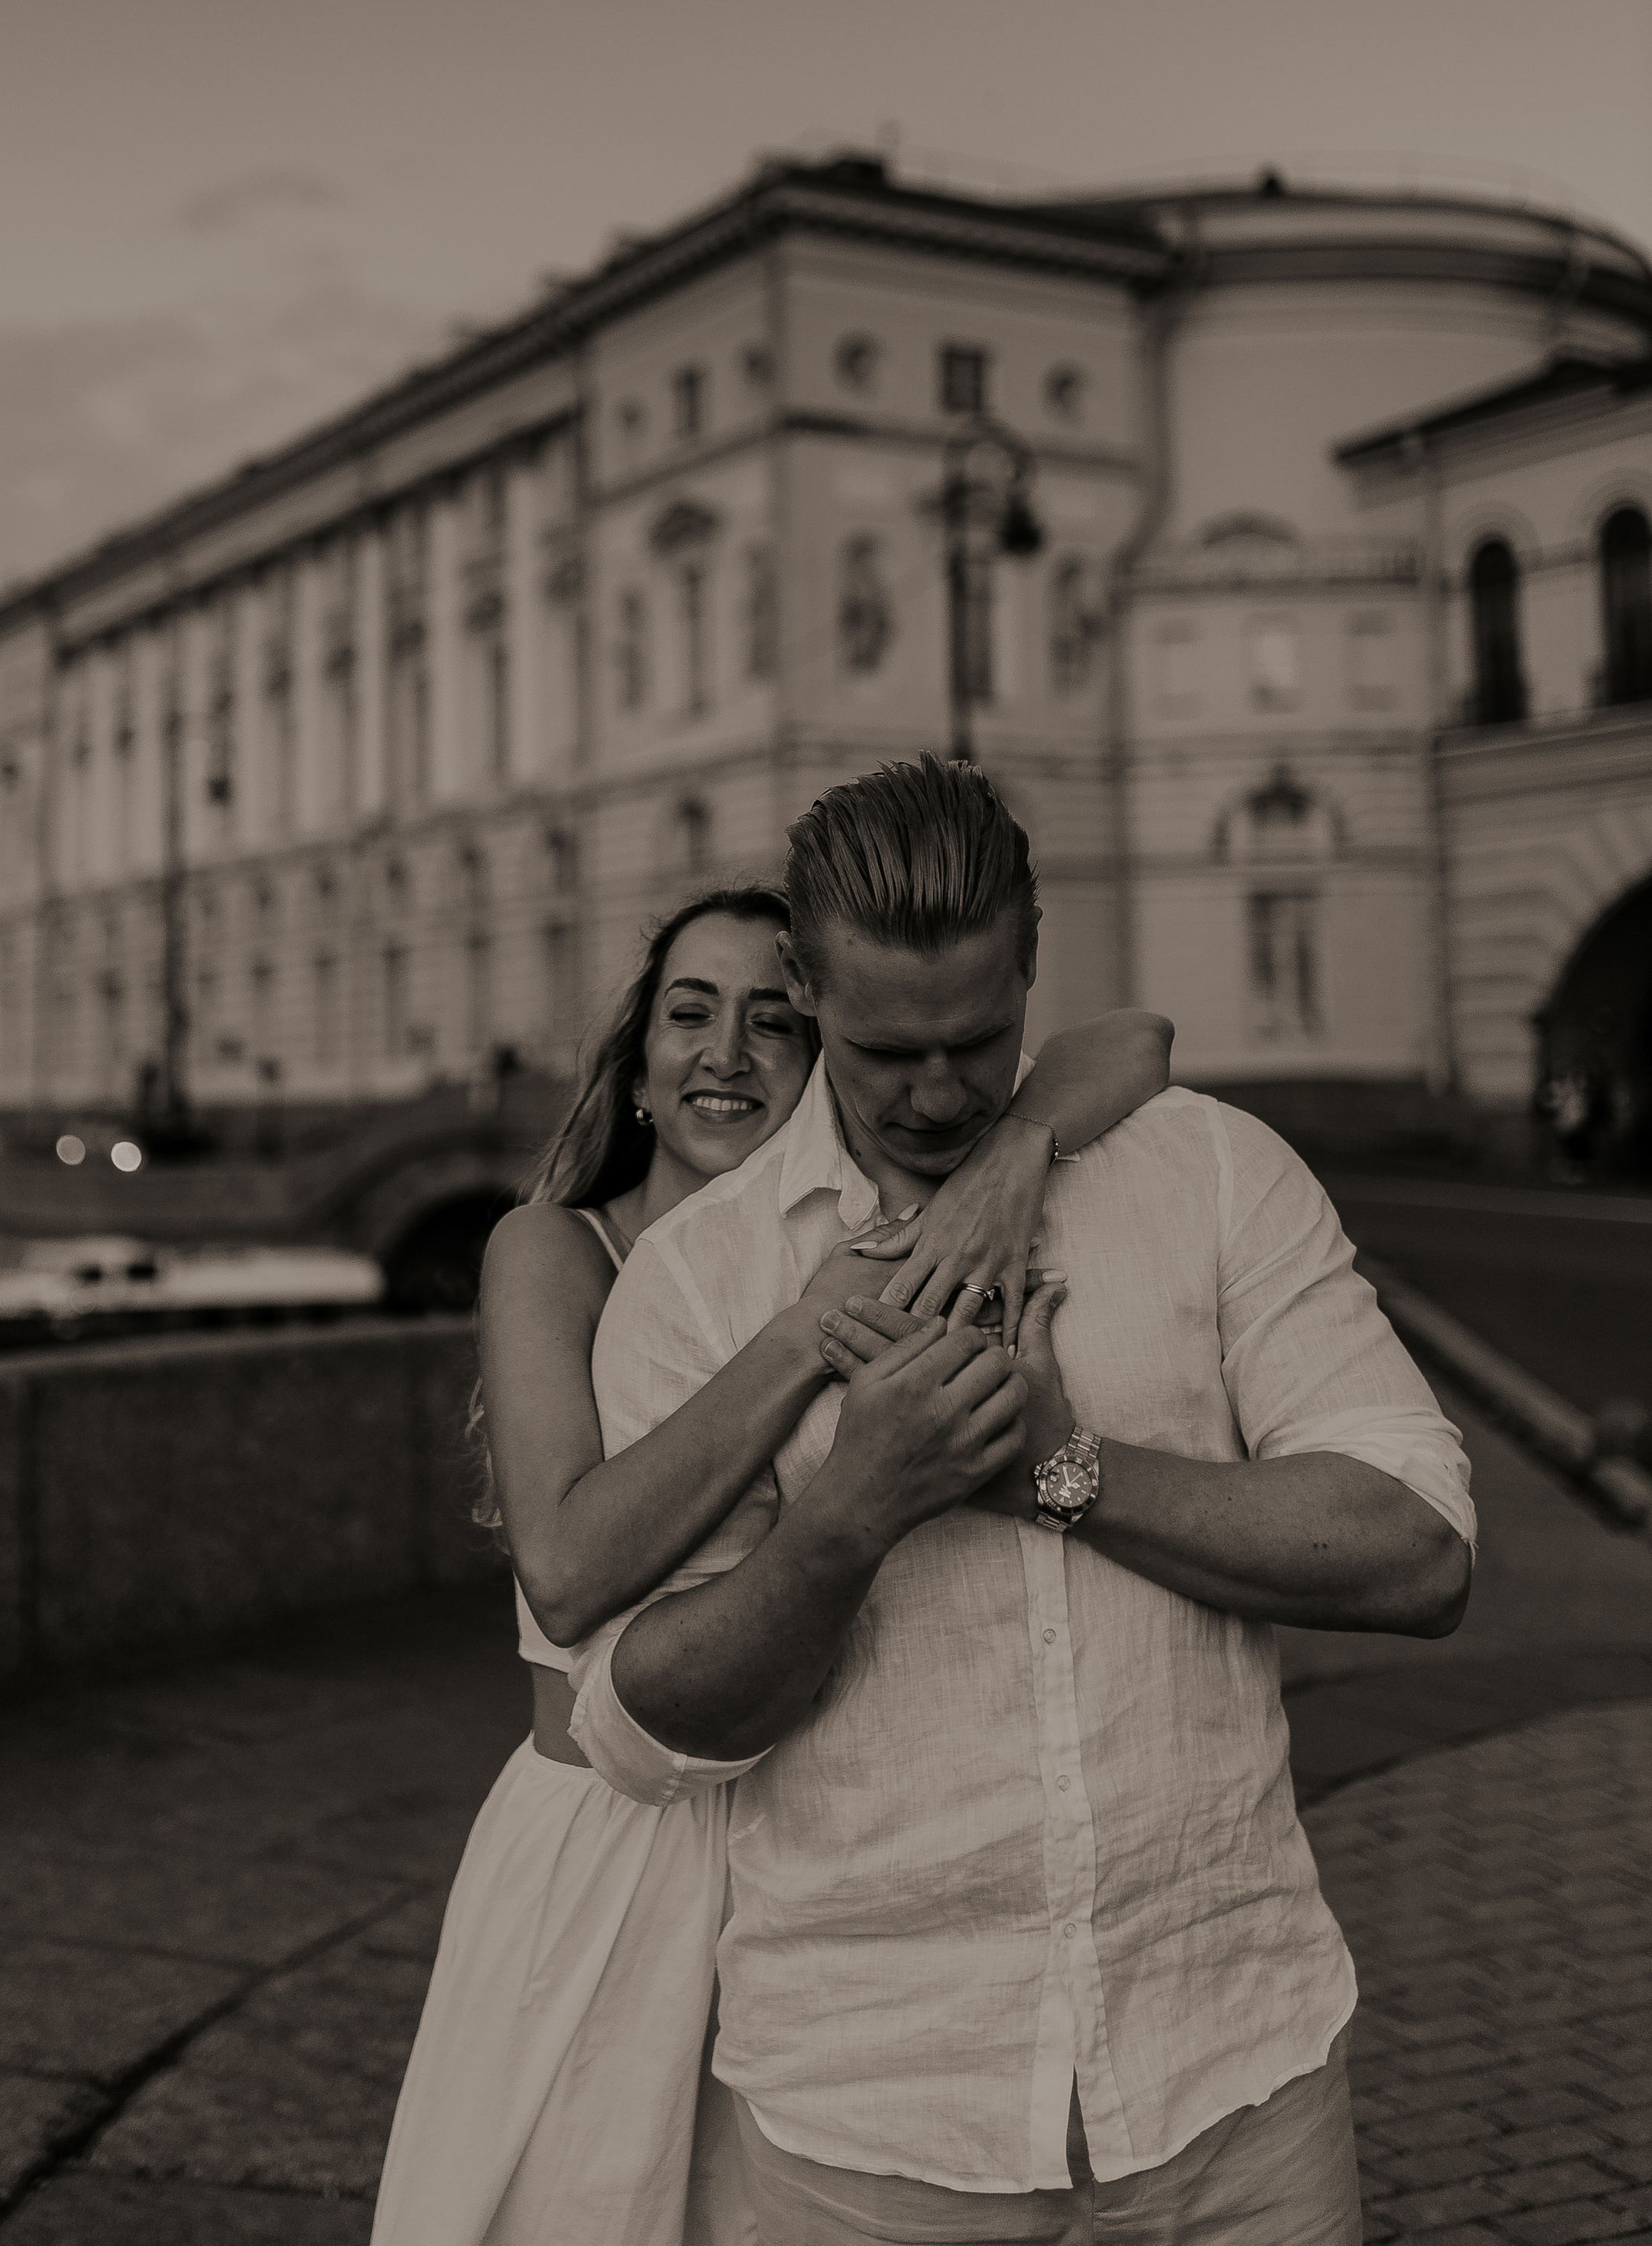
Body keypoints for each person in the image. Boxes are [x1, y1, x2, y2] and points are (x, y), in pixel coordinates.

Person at [575, 758, 1476, 2246]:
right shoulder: (698, 1283)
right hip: (862, 2129)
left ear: (1035, 958)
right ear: (804, 984)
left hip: (1235, 2081)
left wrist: (1057, 1473)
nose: (937, 1094)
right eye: (880, 1052)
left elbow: (1421, 1552)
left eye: (979, 1042)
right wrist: (855, 1509)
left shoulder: (1213, 1174)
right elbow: (638, 1726)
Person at [371, 882, 1174, 2246]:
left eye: (775, 1023)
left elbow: (1139, 1037)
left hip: (817, 1851)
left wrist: (1014, 1151)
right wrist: (807, 1333)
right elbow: (566, 1573)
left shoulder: (856, 1217)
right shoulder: (560, 1248)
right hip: (619, 1853)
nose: (726, 1055)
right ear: (634, 1067)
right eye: (689, 1016)